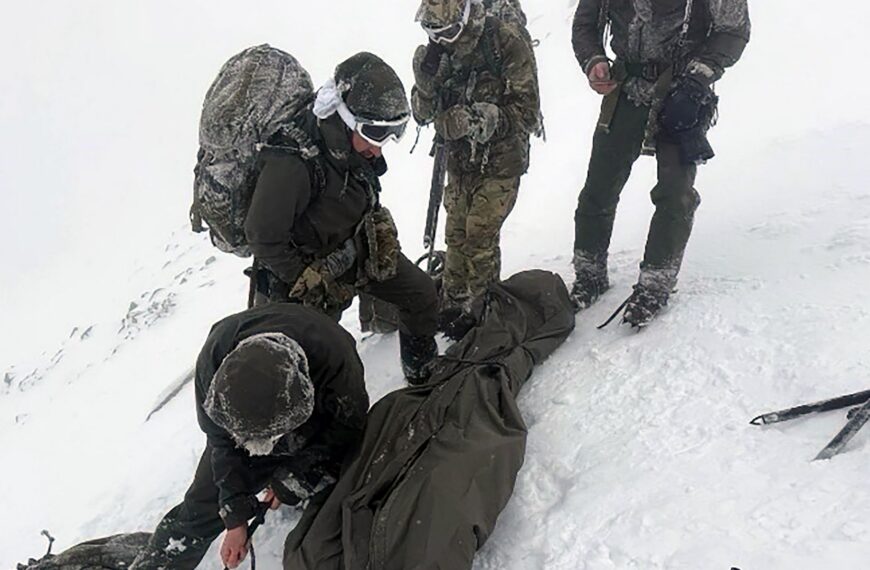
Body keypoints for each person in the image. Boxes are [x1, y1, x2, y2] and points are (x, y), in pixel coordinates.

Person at [130, 303, 369, 570]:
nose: (262, 451)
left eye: (266, 442)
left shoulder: (336, 360)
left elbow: (347, 428)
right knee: (201, 506)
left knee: (340, 480)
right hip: (249, 419)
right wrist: (234, 514)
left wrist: (295, 478)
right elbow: (221, 442)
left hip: (316, 416)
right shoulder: (214, 363)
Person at [245, 52, 438, 381]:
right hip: (308, 277)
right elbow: (262, 235)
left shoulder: (347, 146)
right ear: (346, 118)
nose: (382, 146)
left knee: (421, 295)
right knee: (302, 368)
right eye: (376, 134)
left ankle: (421, 373)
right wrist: (309, 282)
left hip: (358, 251)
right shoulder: (293, 163)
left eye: (394, 132)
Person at [570, 0, 750, 326]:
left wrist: (697, 78)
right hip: (624, 86)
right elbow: (585, 23)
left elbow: (733, 31)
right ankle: (589, 273)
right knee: (598, 185)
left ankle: (656, 283)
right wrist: (593, 60)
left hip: (682, 91)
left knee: (675, 191)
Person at [410, 0, 541, 337]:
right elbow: (423, 115)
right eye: (433, 33)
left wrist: (474, 119)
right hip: (458, 160)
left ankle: (483, 310)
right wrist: (424, 84)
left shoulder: (506, 40)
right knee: (455, 233)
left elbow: (526, 112)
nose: (442, 41)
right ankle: (453, 303)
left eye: (449, 32)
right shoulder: (439, 52)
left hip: (500, 159)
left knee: (479, 235)